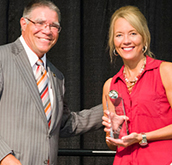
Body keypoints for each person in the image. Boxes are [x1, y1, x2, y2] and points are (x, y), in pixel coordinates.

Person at [0, 1, 103, 165]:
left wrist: (109, 108)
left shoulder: (57, 77)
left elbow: (65, 124)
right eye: (40, 23)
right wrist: (4, 157)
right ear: (23, 23)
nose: (47, 31)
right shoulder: (2, 58)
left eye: (54, 26)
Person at [102, 5, 172, 165]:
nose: (126, 41)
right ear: (113, 41)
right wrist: (114, 133)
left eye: (133, 33)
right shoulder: (110, 85)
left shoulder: (166, 72)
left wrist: (142, 137)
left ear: (144, 37)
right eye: (119, 35)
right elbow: (111, 143)